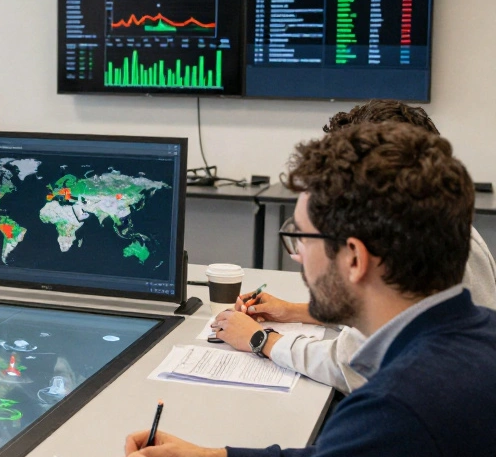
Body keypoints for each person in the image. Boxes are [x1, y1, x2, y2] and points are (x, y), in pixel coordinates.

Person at [117, 123, 496, 457]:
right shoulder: (472, 342)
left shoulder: (403, 409)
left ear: (356, 258)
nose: (296, 258)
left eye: (300, 238)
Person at [211, 99, 496, 393]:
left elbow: (351, 364)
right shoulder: (437, 231)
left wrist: (263, 340)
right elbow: (382, 318)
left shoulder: (428, 250)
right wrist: (294, 311)